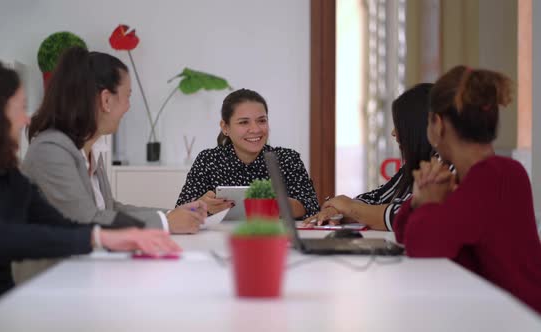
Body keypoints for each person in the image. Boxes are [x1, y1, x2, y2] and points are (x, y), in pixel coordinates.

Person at [0, 57, 184, 318]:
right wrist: (100, 237)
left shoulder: (8, 177)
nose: (26, 120)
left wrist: (128, 235)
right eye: (19, 109)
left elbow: (64, 224)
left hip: (5, 309)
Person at [394, 66, 541, 315]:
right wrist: (420, 200)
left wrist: (428, 201)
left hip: (522, 319)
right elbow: (403, 232)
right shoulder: (477, 177)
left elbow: (423, 247)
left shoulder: (492, 176)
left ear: (438, 124)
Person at [24, 47, 205, 234]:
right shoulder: (50, 151)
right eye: (127, 96)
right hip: (59, 264)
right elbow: (85, 221)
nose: (128, 107)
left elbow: (109, 210)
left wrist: (170, 215)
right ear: (106, 100)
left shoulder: (89, 151)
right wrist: (166, 223)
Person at [303, 83, 434, 230]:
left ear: (418, 129)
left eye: (400, 126)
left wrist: (350, 207)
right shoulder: (413, 168)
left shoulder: (445, 170)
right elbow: (377, 198)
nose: (393, 133)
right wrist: (338, 210)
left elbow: (404, 216)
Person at [175, 88, 319, 219]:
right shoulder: (208, 160)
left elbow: (312, 208)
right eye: (244, 122)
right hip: (219, 239)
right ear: (225, 127)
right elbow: (179, 212)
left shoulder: (287, 159)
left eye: (261, 121)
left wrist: (275, 206)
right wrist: (203, 206)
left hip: (274, 238)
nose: (255, 129)